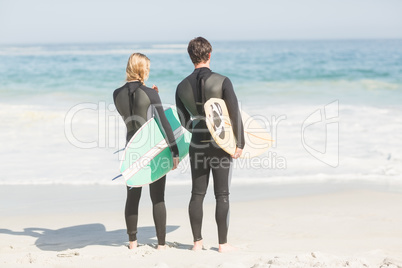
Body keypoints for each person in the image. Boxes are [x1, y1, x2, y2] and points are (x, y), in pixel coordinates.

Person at [175, 37, 245, 252]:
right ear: (209, 54)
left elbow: (183, 120)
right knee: (222, 194)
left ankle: (197, 243)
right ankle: (222, 244)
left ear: (190, 56)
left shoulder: (181, 86)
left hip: (197, 142)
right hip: (220, 142)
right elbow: (234, 113)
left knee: (197, 194)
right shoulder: (223, 81)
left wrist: (197, 131)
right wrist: (239, 143)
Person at [113, 53, 179, 250]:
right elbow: (164, 124)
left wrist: (152, 95)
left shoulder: (116, 94)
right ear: (143, 70)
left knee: (132, 197)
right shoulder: (151, 93)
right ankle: (160, 244)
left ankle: (132, 243)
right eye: (147, 69)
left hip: (131, 150)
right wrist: (174, 151)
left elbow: (133, 114)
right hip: (153, 151)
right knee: (158, 197)